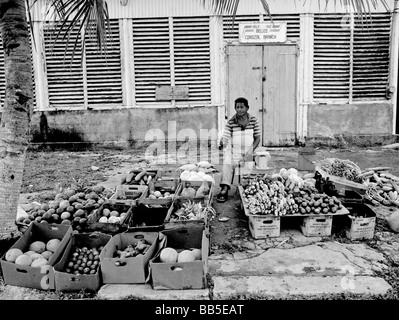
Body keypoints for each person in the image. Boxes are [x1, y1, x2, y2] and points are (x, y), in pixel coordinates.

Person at [216, 97, 261, 202]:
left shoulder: (253, 120)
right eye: (237, 107)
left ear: (247, 108)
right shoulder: (231, 122)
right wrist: (222, 142)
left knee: (250, 173)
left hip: (249, 152)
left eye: (242, 107)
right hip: (234, 152)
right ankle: (225, 188)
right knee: (227, 160)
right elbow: (226, 136)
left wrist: (250, 151)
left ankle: (248, 188)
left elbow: (257, 138)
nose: (239, 110)